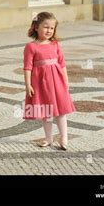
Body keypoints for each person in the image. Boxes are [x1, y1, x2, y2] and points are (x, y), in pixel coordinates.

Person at [23, 12, 76, 150]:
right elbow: (28, 67)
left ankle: (64, 137)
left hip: (57, 81)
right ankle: (48, 138)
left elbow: (62, 63)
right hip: (41, 83)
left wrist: (66, 80)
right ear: (36, 27)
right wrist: (28, 84)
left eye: (52, 28)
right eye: (46, 27)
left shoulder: (55, 44)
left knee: (60, 111)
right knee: (46, 111)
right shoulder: (31, 47)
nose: (49, 31)